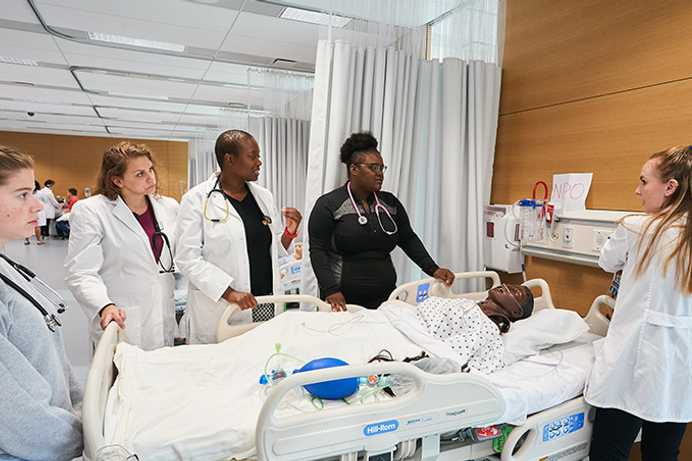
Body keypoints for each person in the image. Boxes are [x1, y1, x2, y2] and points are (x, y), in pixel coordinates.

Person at [585, 145, 691, 461]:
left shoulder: (635, 228)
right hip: (679, 368)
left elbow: (607, 262)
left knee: (608, 453)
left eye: (644, 182)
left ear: (670, 187)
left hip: (630, 363)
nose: (637, 190)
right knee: (663, 453)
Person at [175, 130, 302, 344]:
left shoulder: (263, 197)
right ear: (230, 159)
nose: (259, 162)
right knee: (223, 367)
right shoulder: (196, 199)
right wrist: (230, 292)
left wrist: (289, 233)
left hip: (264, 301)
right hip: (223, 306)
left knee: (261, 358)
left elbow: (271, 250)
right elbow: (187, 258)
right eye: (253, 156)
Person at [309, 132, 455, 310]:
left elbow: (408, 239)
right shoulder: (329, 204)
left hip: (385, 296)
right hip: (342, 298)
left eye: (382, 168)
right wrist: (330, 290)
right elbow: (318, 251)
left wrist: (433, 268)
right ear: (354, 169)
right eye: (374, 168)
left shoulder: (390, 203)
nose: (380, 174)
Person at [0, 146, 82, 460]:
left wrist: (83, 410)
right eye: (22, 195)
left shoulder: (8, 267)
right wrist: (86, 436)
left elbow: (52, 352)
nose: (36, 205)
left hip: (55, 434)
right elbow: (19, 418)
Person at [65, 142, 178, 351]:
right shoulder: (91, 211)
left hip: (162, 313)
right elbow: (80, 273)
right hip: (122, 316)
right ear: (117, 180)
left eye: (151, 169)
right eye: (139, 174)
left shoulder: (169, 207)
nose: (150, 177)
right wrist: (104, 305)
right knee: (122, 378)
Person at [415, 284, 534, 374]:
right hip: (410, 319)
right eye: (508, 285)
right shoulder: (471, 304)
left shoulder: (484, 327)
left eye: (515, 292)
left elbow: (445, 357)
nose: (505, 286)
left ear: (516, 312)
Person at [24, 180, 46, 245]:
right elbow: (44, 201)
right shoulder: (40, 193)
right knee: (37, 226)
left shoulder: (27, 193)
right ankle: (39, 241)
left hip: (30, 211)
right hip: (38, 211)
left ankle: (26, 240)